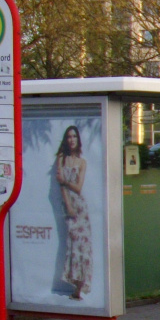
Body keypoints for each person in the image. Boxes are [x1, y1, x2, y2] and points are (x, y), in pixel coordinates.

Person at [55, 125, 92, 299]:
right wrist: (68, 205)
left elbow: (78, 187)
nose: (71, 140)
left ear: (78, 140)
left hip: (81, 207)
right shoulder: (61, 159)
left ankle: (81, 286)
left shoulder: (82, 162)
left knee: (83, 245)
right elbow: (60, 186)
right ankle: (74, 284)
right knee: (72, 244)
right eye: (69, 136)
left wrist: (65, 182)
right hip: (68, 205)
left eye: (74, 137)